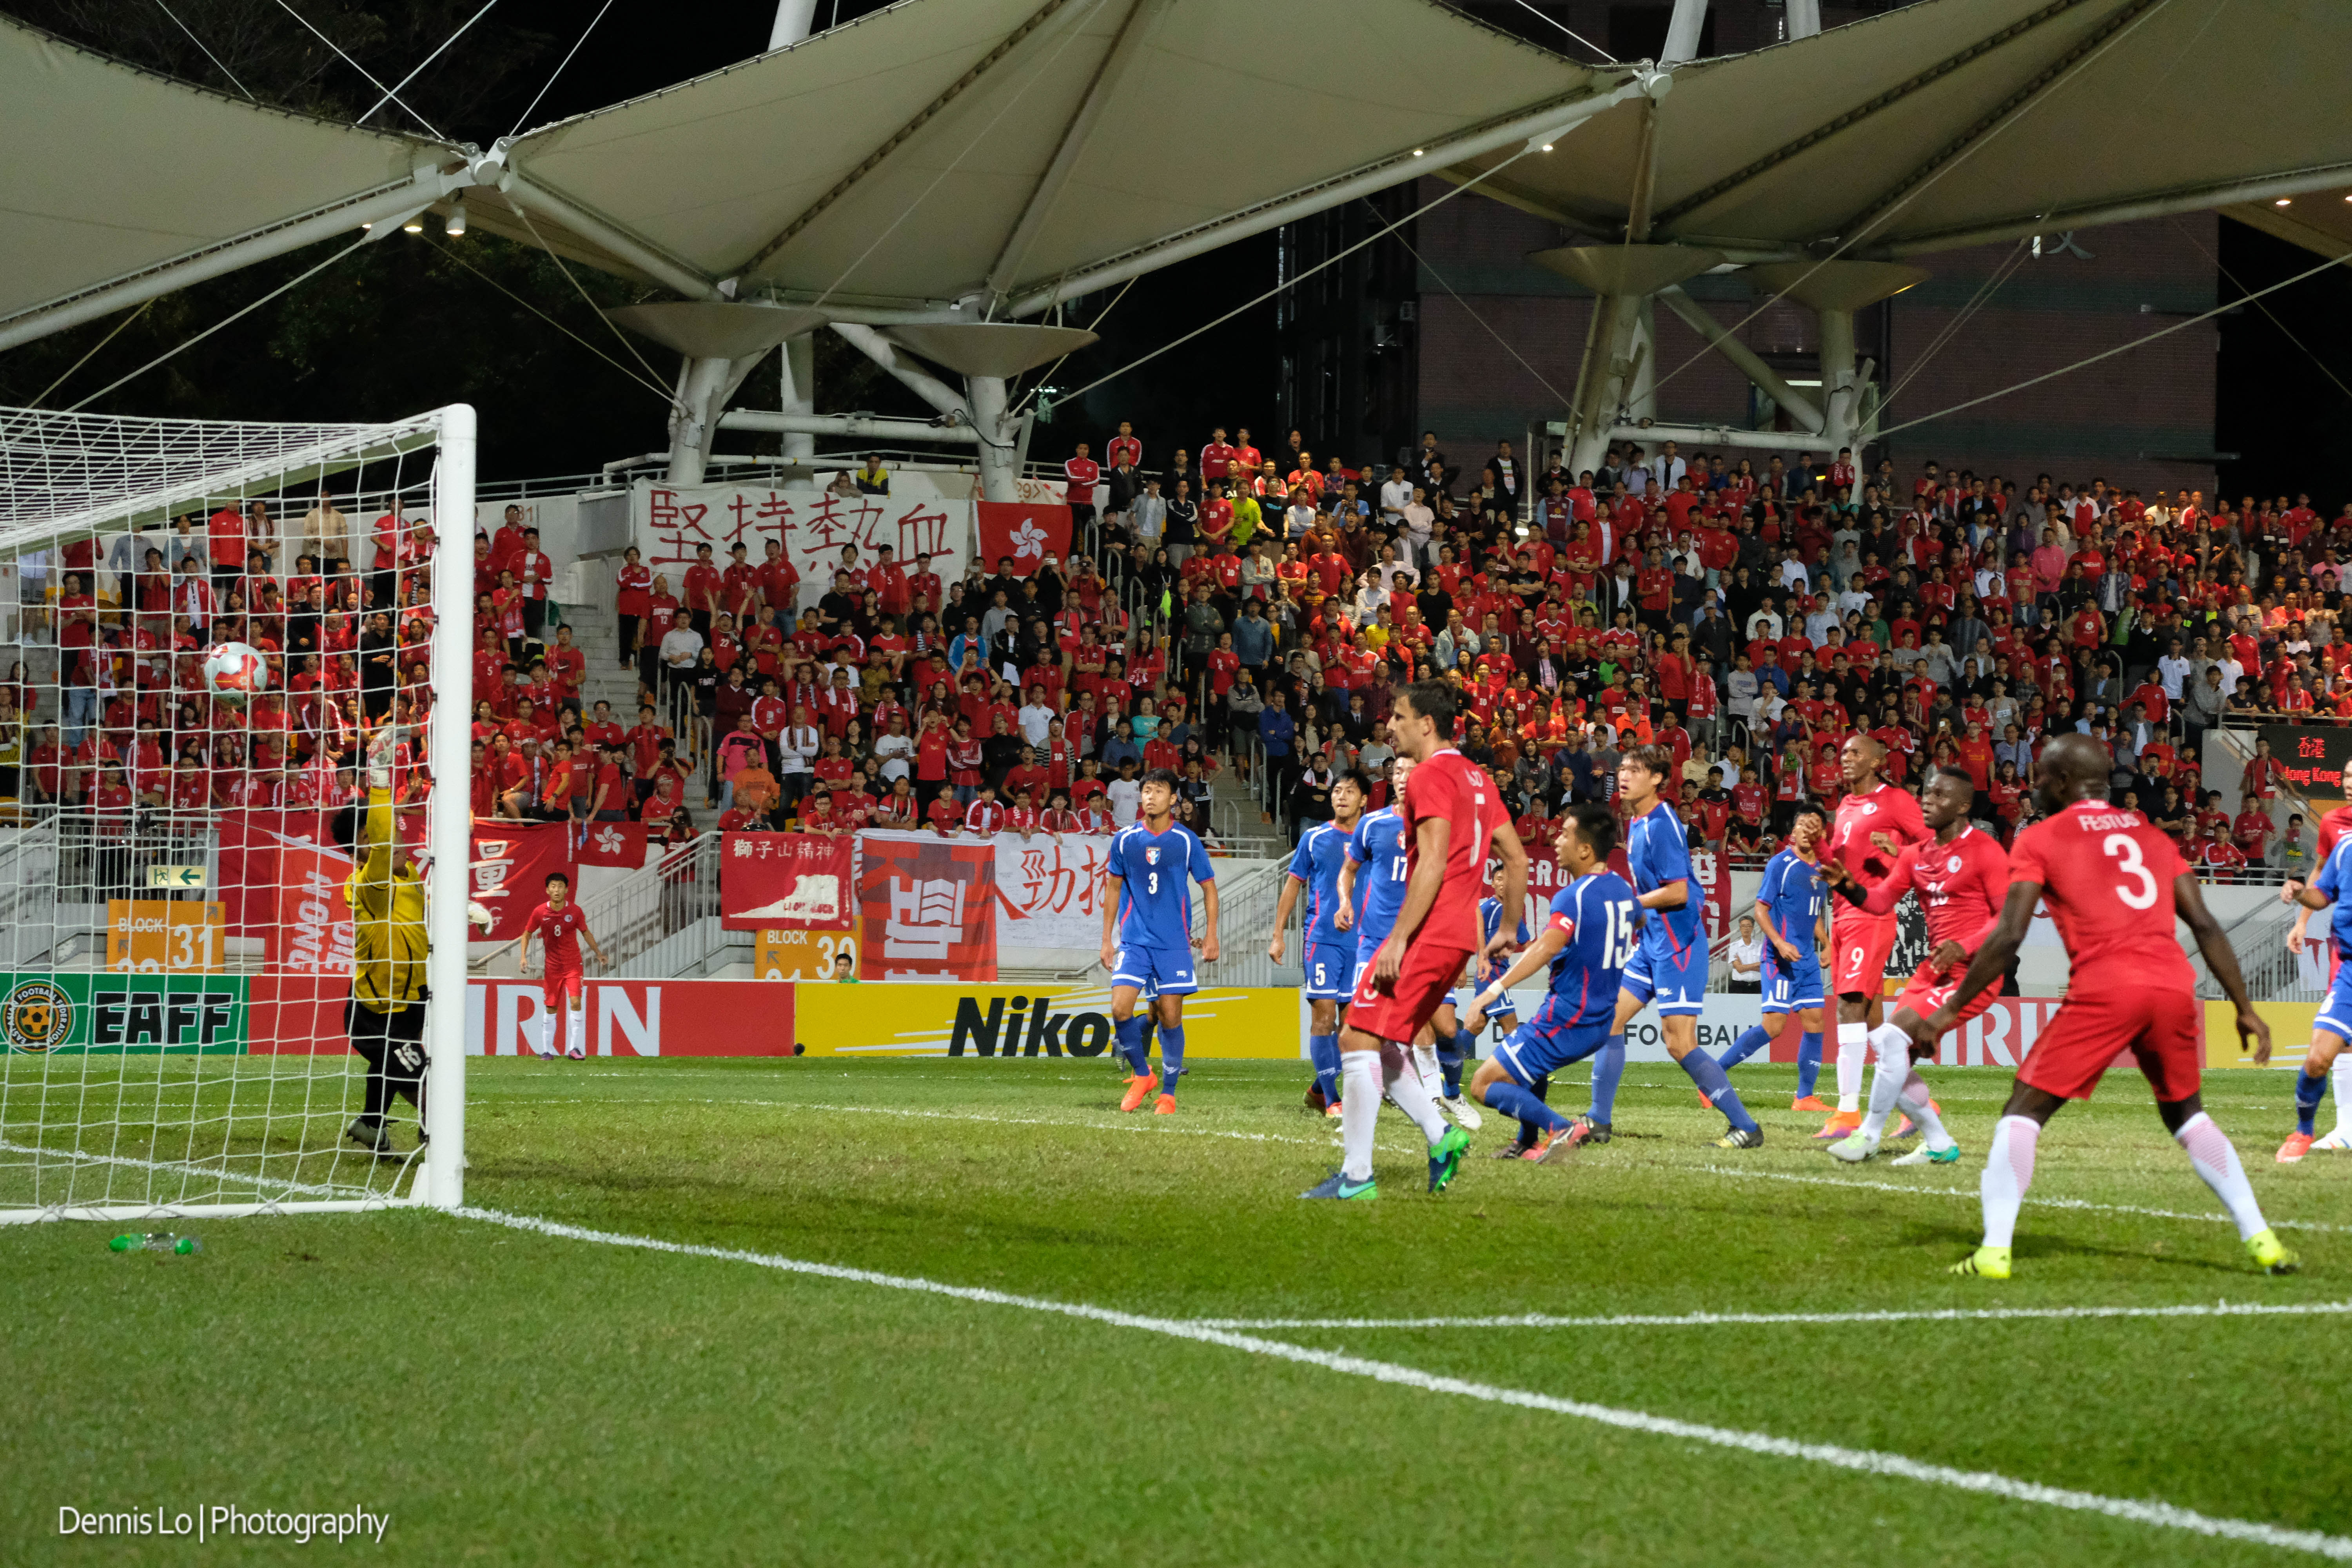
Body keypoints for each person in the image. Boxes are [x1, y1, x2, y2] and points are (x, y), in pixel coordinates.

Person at [1908, 733, 2296, 1280]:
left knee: (2022, 1113)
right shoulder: (2152, 836)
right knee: (2188, 1115)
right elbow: (2205, 924)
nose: (2035, 784)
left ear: (2064, 782)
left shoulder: (2040, 838)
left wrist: (1947, 1014)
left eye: (2042, 776)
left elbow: (2007, 936)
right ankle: (2262, 1239)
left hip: (2106, 987)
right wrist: (2244, 1007)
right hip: (2172, 987)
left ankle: (1994, 1252)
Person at [1305, 681, 1524, 1200]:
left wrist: (1399, 938)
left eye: (1399, 717)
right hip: (1456, 940)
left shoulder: (1429, 774)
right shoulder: (1478, 778)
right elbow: (1515, 859)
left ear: (1427, 724)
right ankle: (1439, 1135)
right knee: (1377, 1039)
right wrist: (1509, 928)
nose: (1391, 727)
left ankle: (1357, 1178)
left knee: (1356, 1037)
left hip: (1428, 933)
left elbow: (1431, 860)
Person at [1818, 767, 2003, 1164]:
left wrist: (1963, 945)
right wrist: (1846, 884)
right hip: (1934, 971)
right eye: (1927, 794)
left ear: (1964, 805)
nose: (1928, 801)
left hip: (1975, 972)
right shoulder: (1916, 855)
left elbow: (2007, 920)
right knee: (1893, 1056)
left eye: (1939, 796)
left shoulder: (1985, 850)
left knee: (1891, 1038)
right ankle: (1939, 1143)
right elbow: (1882, 900)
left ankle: (1867, 1135)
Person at [1606, 743, 1765, 1148]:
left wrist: (1632, 904)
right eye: (1622, 768)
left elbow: (1678, 892)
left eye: (1634, 770)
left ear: (1657, 779)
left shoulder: (1660, 824)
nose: (1624, 775)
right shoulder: (1637, 822)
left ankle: (1746, 1126)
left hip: (1679, 944)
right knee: (1610, 1021)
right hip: (1653, 941)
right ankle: (1598, 1119)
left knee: (1679, 1043)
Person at [1459, 804, 1637, 1161]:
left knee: (1483, 1085)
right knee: (1531, 1068)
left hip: (1570, 1016)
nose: (1556, 841)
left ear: (1586, 849)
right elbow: (1640, 922)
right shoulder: (1621, 889)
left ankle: (1561, 1127)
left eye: (1566, 834)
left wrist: (1491, 992)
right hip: (1601, 1018)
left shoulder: (1575, 896)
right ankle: (1526, 1140)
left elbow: (1545, 947)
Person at [1820, 732, 1929, 1140]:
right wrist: (1813, 845)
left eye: (1854, 753)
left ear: (1877, 762)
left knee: (1848, 1008)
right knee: (1872, 1025)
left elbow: (1934, 844)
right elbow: (1837, 863)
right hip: (1844, 915)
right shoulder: (1846, 805)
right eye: (1843, 752)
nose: (1844, 757)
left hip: (1872, 914)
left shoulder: (1896, 801)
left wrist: (1898, 854)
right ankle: (1919, 1104)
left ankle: (1847, 1111)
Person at [1100, 768, 1220, 1114]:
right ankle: (1143, 1075)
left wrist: (1211, 934)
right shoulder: (1125, 840)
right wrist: (1107, 940)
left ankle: (1168, 1093)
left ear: (1173, 799)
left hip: (1174, 944)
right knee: (1120, 1008)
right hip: (1135, 941)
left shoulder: (1185, 841)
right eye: (1146, 791)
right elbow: (1113, 888)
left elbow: (1209, 888)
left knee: (1169, 1016)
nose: (1150, 797)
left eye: (1158, 791)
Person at [341, 726, 430, 1155]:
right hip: (375, 1011)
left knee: (392, 1067)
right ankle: (440, 1141)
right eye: (382, 838)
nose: (398, 841)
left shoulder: (408, 874)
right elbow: (379, 844)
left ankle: (371, 1124)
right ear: (361, 849)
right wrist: (379, 782)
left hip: (411, 999)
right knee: (421, 1077)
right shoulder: (370, 886)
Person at [1711, 803, 1829, 1110]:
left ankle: (1804, 1097)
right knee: (1775, 1027)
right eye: (1801, 825)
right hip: (1779, 958)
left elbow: (1813, 913)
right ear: (1793, 832)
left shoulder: (1823, 870)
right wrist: (1779, 943)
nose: (1806, 831)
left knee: (1816, 1023)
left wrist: (1827, 943)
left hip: (1806, 961)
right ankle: (1712, 1078)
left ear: (1822, 833)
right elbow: (1761, 910)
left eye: (1813, 826)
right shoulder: (1781, 864)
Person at [1269, 769, 1368, 1119]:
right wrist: (1279, 934)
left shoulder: (1374, 838)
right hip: (1322, 940)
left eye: (1350, 792)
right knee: (1324, 1019)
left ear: (1364, 800)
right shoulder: (1314, 837)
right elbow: (1293, 885)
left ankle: (1317, 1089)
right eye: (1337, 791)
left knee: (1357, 1028)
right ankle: (1332, 1099)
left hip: (1363, 944)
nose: (1341, 797)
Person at [2274, 829, 2352, 1162]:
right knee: (2318, 1059)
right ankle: (2305, 1130)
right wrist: (2301, 893)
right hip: (2350, 972)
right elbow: (2323, 895)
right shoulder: (2346, 847)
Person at [521, 870, 610, 1061]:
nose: (557, 890)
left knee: (576, 1002)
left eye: (560, 886)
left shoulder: (575, 911)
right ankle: (547, 1051)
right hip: (552, 968)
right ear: (547, 890)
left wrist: (598, 953)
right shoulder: (539, 912)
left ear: (566, 890)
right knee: (551, 1007)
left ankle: (574, 1049)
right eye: (553, 886)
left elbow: (586, 932)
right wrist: (523, 957)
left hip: (573, 965)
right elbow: (527, 933)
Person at [1726, 914, 1764, 993]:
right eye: (1743, 926)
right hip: (1739, 986)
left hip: (1757, 985)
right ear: (1740, 928)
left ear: (1753, 928)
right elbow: (1740, 969)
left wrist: (1744, 967)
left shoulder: (1760, 946)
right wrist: (1757, 964)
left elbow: (1763, 968)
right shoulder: (1734, 947)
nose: (1746, 929)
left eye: (1748, 926)